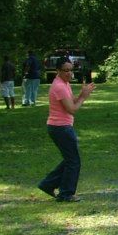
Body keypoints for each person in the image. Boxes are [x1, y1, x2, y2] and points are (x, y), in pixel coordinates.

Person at [38, 57, 95, 202]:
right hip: (60, 128)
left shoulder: (64, 83)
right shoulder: (59, 86)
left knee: (70, 160)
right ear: (58, 71)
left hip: (61, 127)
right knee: (73, 161)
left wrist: (82, 94)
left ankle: (47, 184)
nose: (69, 73)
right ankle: (66, 194)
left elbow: (70, 102)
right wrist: (83, 97)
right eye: (66, 71)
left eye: (71, 70)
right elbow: (72, 109)